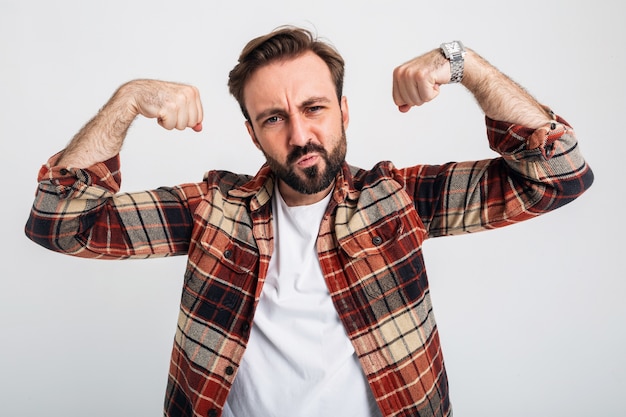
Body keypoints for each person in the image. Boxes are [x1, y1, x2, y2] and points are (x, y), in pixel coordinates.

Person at [25, 26, 594, 417]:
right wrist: (127, 101)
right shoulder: (213, 211)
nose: (300, 135)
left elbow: (560, 173)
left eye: (314, 108)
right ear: (252, 133)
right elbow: (60, 223)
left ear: (343, 112)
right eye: (274, 118)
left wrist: (465, 65)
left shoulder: (398, 199)